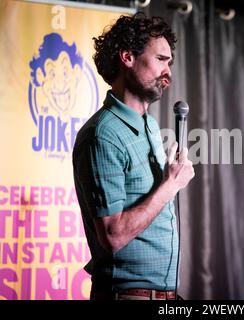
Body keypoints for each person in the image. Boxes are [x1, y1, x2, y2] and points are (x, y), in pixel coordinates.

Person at [72, 12, 195, 300]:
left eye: (170, 62)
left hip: (164, 295)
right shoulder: (103, 134)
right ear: (127, 57)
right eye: (161, 59)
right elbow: (112, 236)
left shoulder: (149, 124)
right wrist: (171, 185)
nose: (169, 72)